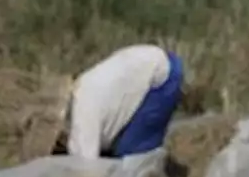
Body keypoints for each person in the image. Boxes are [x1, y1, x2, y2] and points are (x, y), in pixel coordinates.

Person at [54, 44, 202, 160]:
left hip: (161, 76)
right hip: (146, 62)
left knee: (132, 159)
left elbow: (86, 169)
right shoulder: (82, 88)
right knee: (115, 155)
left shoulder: (83, 115)